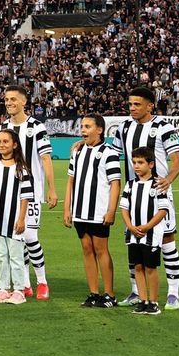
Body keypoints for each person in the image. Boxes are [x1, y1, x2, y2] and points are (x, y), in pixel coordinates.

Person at [117, 86, 179, 310]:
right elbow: (112, 152)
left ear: (150, 105)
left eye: (137, 104)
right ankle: (137, 292)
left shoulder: (164, 127)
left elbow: (176, 161)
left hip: (158, 193)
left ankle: (173, 293)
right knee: (134, 241)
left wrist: (169, 179)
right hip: (134, 193)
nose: (132, 108)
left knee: (166, 240)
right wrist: (83, 144)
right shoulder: (124, 127)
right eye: (130, 104)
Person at [2, 83, 55, 300]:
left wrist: (52, 189)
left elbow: (45, 159)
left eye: (13, 99)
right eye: (6, 100)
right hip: (7, 193)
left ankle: (42, 281)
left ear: (24, 101)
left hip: (31, 191)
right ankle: (24, 283)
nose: (9, 103)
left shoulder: (37, 127)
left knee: (30, 236)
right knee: (16, 239)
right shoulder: (2, 128)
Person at [65, 113, 122, 308]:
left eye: (88, 127)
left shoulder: (109, 152)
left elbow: (115, 184)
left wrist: (111, 210)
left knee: (101, 249)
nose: (83, 130)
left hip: (98, 211)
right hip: (80, 210)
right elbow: (70, 182)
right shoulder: (77, 152)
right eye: (82, 126)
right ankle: (93, 293)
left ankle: (109, 294)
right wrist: (67, 209)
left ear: (99, 129)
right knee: (87, 250)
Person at [0, 129, 34, 305]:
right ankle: (4, 288)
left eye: (6, 141)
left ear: (14, 145)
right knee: (2, 256)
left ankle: (19, 290)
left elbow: (25, 196)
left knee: (16, 256)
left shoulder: (21, 169)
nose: (2, 145)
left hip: (14, 221)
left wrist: (21, 219)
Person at [121, 147, 171, 316]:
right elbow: (124, 209)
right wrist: (131, 226)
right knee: (138, 267)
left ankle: (154, 302)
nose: (136, 166)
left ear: (151, 164)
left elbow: (163, 210)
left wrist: (148, 226)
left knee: (150, 268)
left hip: (151, 235)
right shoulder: (130, 185)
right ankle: (143, 301)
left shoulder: (158, 184)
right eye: (134, 162)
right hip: (134, 234)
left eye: (140, 162)